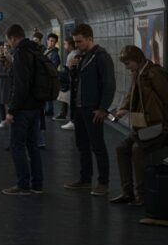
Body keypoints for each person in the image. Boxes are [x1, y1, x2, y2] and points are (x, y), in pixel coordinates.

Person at [110, 46, 168, 206]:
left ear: (138, 59)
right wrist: (122, 109)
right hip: (144, 127)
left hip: (158, 127)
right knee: (121, 148)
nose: (126, 67)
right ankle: (127, 192)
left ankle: (141, 195)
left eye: (128, 63)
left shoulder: (154, 74)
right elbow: (131, 95)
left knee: (138, 149)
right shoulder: (138, 74)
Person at [65, 23, 115, 196]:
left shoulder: (101, 57)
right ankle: (85, 178)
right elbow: (77, 80)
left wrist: (103, 108)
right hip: (79, 107)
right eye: (75, 42)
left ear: (90, 39)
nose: (76, 45)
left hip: (93, 108)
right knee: (82, 144)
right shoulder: (83, 56)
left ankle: (103, 182)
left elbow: (109, 84)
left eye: (79, 42)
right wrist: (72, 69)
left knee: (97, 145)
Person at [2, 24, 44, 195]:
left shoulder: (20, 54)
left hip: (23, 109)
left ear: (13, 38)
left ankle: (23, 185)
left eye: (9, 41)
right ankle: (37, 185)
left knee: (17, 146)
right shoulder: (35, 50)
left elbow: (20, 86)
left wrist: (11, 111)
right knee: (33, 146)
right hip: (36, 106)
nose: (9, 44)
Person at [56, 37, 79, 130]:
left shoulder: (71, 55)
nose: (64, 46)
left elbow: (69, 69)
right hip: (73, 82)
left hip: (71, 82)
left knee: (71, 102)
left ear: (70, 45)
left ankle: (72, 121)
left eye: (65, 44)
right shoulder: (75, 54)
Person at [43, 33, 61, 116]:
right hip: (45, 76)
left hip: (49, 77)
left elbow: (53, 66)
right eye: (50, 40)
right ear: (47, 41)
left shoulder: (54, 54)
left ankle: (49, 110)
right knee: (46, 94)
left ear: (55, 43)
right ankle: (47, 109)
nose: (51, 42)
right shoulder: (46, 51)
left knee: (48, 94)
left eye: (53, 41)